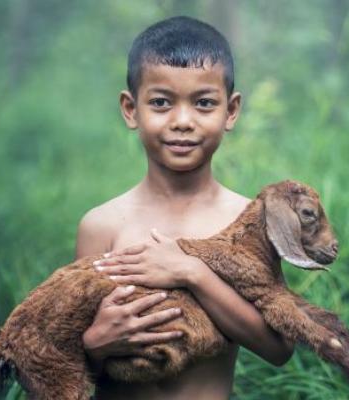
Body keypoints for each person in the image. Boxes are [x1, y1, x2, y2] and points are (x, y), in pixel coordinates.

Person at [75, 16, 294, 400]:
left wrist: (192, 272)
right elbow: (71, 364)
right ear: (130, 109)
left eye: (204, 103)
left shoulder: (249, 223)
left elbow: (278, 347)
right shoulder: (102, 225)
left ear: (231, 110)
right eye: (161, 103)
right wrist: (96, 343)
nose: (182, 122)